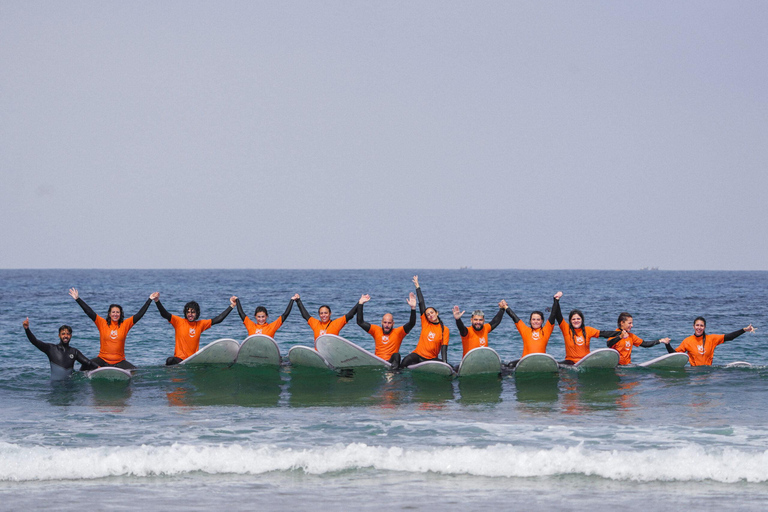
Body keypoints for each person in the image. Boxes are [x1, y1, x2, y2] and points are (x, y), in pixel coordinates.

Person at [69, 288, 151, 369]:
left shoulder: (125, 324)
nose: (115, 314)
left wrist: (149, 299)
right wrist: (77, 299)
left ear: (120, 314)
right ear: (109, 314)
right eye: (113, 312)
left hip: (119, 361)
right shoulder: (102, 323)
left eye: (117, 312)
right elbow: (89, 312)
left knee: (134, 371)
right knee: (85, 365)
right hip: (102, 359)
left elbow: (139, 314)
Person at [151, 292, 237, 365]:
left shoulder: (200, 324)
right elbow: (164, 314)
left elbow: (218, 319)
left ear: (197, 313)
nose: (190, 314)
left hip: (192, 360)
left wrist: (232, 306)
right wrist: (157, 301)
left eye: (193, 312)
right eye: (188, 312)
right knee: (170, 360)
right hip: (179, 360)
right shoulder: (179, 322)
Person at [23, 317, 98, 380]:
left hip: (69, 386)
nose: (65, 336)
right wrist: (27, 329)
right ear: (59, 335)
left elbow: (88, 362)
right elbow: (35, 342)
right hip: (55, 386)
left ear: (71, 336)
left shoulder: (74, 352)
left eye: (68, 334)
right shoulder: (51, 349)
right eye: (63, 334)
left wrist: (99, 367)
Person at [356, 292, 417, 368]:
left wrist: (413, 308)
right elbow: (360, 322)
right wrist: (360, 303)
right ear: (381, 322)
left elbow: (411, 323)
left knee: (396, 355)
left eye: (389, 323)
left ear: (393, 323)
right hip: (378, 361)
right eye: (385, 322)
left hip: (391, 363)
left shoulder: (398, 332)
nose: (387, 325)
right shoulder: (375, 330)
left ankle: (392, 376)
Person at [400, 275, 450, 368]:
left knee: (451, 366)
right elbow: (421, 303)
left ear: (437, 313)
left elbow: (444, 349)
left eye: (432, 313)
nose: (430, 315)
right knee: (405, 360)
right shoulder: (425, 323)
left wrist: (445, 364)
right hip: (418, 355)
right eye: (428, 314)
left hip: (431, 359)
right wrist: (417, 286)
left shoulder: (444, 330)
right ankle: (396, 378)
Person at [665, 316, 755, 366]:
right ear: (693, 326)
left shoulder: (711, 339)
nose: (699, 328)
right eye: (697, 325)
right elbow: (674, 355)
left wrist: (744, 330)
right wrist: (667, 345)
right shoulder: (687, 341)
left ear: (704, 327)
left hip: (708, 372)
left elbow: (729, 337)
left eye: (701, 326)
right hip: (694, 373)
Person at [503, 292, 562, 368]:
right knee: (509, 365)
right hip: (525, 360)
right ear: (530, 321)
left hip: (541, 361)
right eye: (533, 319)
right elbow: (514, 317)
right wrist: (505, 307)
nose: (536, 321)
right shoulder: (525, 330)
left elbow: (553, 314)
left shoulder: (546, 330)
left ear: (542, 321)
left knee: (557, 366)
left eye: (538, 319)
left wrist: (556, 300)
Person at [294, 294, 359, 348]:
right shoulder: (316, 324)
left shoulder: (335, 324)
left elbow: (350, 315)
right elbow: (305, 315)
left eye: (326, 313)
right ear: (319, 315)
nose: (323, 315)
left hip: (331, 355)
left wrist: (360, 303)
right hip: (319, 355)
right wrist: (298, 301)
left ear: (330, 314)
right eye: (321, 313)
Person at [606, 312, 670, 365]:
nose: (632, 325)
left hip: (627, 366)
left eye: (632, 323)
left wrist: (660, 341)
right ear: (622, 323)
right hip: (616, 366)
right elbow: (609, 344)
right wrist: (620, 337)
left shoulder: (631, 336)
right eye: (629, 323)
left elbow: (645, 344)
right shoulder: (614, 334)